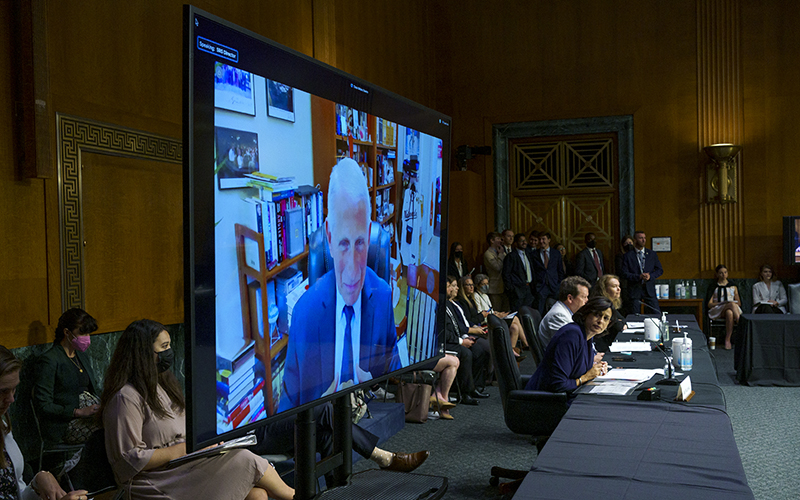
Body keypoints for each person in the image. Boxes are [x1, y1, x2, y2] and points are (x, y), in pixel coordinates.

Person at [101, 319, 295, 500]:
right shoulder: (125, 397)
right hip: (158, 479)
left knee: (258, 495)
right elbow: (128, 459)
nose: (169, 352)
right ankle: (296, 495)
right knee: (243, 458)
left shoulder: (162, 384)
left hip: (184, 466)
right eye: (164, 347)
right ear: (143, 353)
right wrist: (182, 449)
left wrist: (207, 445)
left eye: (169, 345)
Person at [279, 158, 404, 411]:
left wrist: (375, 384)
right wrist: (318, 410)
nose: (351, 270)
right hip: (323, 444)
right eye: (343, 244)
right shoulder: (304, 313)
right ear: (328, 236)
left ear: (369, 235)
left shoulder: (382, 297)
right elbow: (284, 415)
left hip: (374, 427)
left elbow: (398, 376)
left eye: (359, 243)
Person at [1, 345, 90, 500]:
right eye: (2, 391)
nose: (11, 399)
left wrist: (38, 482)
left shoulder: (3, 426)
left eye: (14, 389)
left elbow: (14, 492)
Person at [251, 401, 429, 472]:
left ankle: (335, 491)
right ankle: (384, 458)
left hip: (266, 416)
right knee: (325, 410)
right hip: (249, 436)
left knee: (328, 435)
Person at [32, 309, 101, 448]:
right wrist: (78, 412)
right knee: (111, 431)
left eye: (88, 333)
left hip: (90, 418)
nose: (87, 338)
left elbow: (93, 388)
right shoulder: (50, 360)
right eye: (82, 333)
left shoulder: (81, 356)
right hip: (65, 424)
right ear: (67, 332)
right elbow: (43, 405)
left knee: (121, 421)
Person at [524, 297, 612, 404]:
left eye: (605, 318)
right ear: (586, 314)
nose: (600, 321)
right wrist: (586, 377)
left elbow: (577, 369)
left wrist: (597, 369)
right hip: (546, 403)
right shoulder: (571, 335)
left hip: (565, 397)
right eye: (596, 314)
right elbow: (558, 384)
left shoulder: (587, 337)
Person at [444, 276, 491, 405]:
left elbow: (457, 326)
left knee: (478, 350)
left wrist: (465, 337)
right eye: (451, 286)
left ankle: (474, 387)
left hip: (458, 338)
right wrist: (461, 341)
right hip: (445, 343)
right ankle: (465, 393)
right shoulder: (441, 306)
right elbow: (444, 332)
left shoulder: (450, 304)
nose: (455, 288)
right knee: (466, 354)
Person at [460, 275, 528, 358]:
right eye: (468, 285)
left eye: (472, 285)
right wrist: (487, 315)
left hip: (489, 319)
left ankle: (511, 352)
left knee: (514, 327)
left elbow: (489, 310)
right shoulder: (472, 298)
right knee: (515, 320)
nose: (471, 287)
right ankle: (524, 345)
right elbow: (475, 317)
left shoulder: (482, 296)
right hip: (483, 323)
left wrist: (498, 314)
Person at [538, 276, 591, 348]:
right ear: (570, 298)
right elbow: (568, 346)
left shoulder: (568, 313)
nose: (587, 300)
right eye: (583, 297)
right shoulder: (558, 315)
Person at [621, 231, 663, 315]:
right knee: (635, 315)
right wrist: (638, 277)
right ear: (635, 240)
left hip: (649, 289)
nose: (643, 240)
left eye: (644, 238)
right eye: (640, 238)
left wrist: (650, 276)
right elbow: (624, 273)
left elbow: (660, 270)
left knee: (657, 313)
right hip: (635, 290)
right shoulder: (628, 256)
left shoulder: (652, 254)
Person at [589, 274, 627, 352]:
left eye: (618, 286)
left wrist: (620, 322)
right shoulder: (601, 305)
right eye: (614, 286)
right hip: (600, 346)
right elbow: (619, 326)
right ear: (604, 289)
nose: (618, 289)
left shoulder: (610, 304)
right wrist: (620, 323)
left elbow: (623, 320)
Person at [708, 264, 742, 350]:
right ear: (717, 274)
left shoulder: (733, 286)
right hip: (717, 309)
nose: (723, 275)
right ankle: (741, 324)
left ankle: (727, 339)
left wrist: (730, 303)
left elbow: (739, 303)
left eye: (725, 272)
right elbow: (709, 304)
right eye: (721, 273)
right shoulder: (713, 286)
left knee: (729, 312)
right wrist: (722, 303)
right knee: (730, 304)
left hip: (733, 309)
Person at [531, 232, 566, 314]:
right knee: (540, 311)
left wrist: (559, 284)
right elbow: (533, 271)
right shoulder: (533, 254)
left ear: (549, 240)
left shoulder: (556, 253)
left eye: (543, 239)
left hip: (554, 286)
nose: (541, 241)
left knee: (556, 310)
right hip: (540, 287)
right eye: (540, 239)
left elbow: (560, 270)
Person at [501, 233, 536, 311]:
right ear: (516, 243)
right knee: (517, 314)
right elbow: (506, 274)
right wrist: (511, 289)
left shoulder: (528, 254)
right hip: (517, 291)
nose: (524, 243)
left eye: (525, 240)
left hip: (528, 289)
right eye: (521, 241)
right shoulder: (511, 256)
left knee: (528, 313)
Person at [483, 232, 509, 311]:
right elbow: (497, 267)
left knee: (506, 310)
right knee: (497, 310)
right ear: (492, 240)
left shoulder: (502, 252)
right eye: (498, 239)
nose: (500, 241)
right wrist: (501, 255)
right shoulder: (488, 254)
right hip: (495, 288)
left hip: (504, 287)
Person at [615, 234, 634, 315]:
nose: (628, 245)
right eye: (626, 243)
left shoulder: (635, 255)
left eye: (630, 242)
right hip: (624, 285)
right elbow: (620, 271)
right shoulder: (620, 256)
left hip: (634, 285)